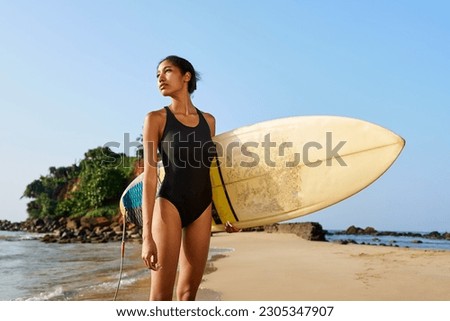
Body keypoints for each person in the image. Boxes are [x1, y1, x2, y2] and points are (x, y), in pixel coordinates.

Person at [141, 55, 216, 301]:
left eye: (167, 71)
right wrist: (147, 236)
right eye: (157, 75)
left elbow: (210, 171)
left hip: (202, 206)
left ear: (186, 76)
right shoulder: (156, 119)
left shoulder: (209, 121)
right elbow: (150, 178)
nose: (160, 78)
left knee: (187, 295)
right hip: (169, 204)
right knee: (161, 297)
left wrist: (227, 216)